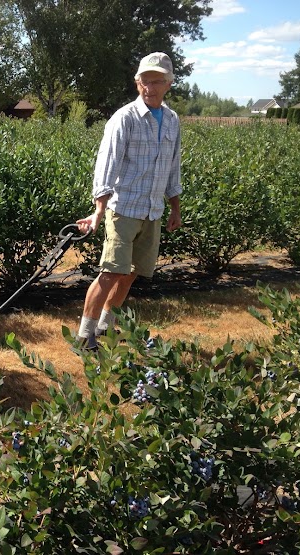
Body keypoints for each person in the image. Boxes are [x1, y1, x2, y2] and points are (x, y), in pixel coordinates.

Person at [76, 52, 182, 349]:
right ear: (137, 83)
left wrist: (175, 207)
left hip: (152, 211)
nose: (150, 87)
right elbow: (106, 166)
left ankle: (105, 327)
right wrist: (99, 211)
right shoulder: (124, 118)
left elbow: (174, 167)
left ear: (168, 84)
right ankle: (84, 337)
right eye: (145, 81)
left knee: (131, 273)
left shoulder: (172, 121)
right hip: (123, 209)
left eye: (157, 81)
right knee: (111, 273)